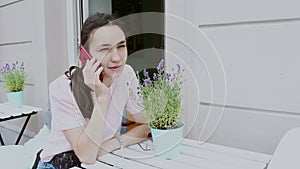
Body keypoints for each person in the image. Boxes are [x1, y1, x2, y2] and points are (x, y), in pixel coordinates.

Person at [36, 13, 150, 169]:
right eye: (105, 49)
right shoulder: (62, 88)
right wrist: (102, 97)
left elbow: (147, 126)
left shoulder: (126, 74)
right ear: (85, 54)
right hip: (61, 164)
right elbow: (87, 155)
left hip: (104, 158)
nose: (116, 58)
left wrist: (113, 143)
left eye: (121, 46)